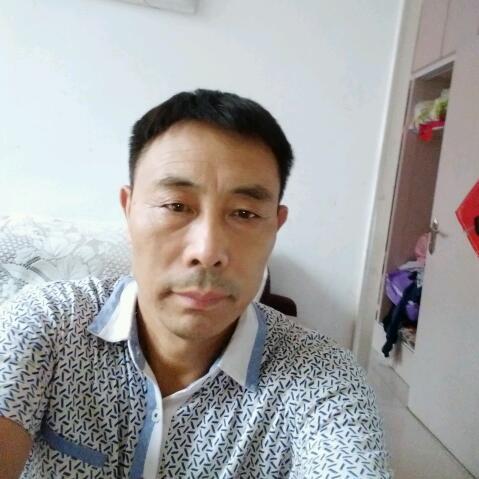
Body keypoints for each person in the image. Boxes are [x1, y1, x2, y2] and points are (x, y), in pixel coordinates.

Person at [0, 89, 392, 478]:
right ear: (129, 209)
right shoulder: (47, 323)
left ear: (276, 226)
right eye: (176, 206)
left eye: (244, 213)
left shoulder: (323, 378)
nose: (207, 251)